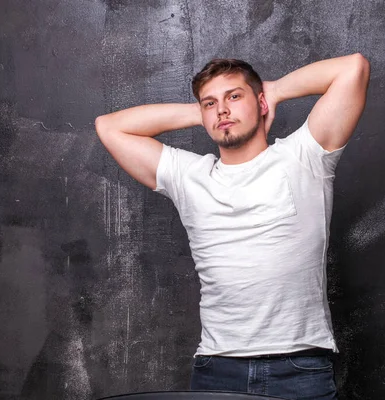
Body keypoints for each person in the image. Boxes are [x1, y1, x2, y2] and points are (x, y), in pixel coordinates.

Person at [95, 54, 370, 400]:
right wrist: (203, 112)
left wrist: (275, 91)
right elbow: (109, 126)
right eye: (211, 102)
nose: (222, 110)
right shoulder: (188, 176)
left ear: (259, 102)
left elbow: (353, 68)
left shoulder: (305, 157)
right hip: (217, 369)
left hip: (300, 368)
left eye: (234, 96)